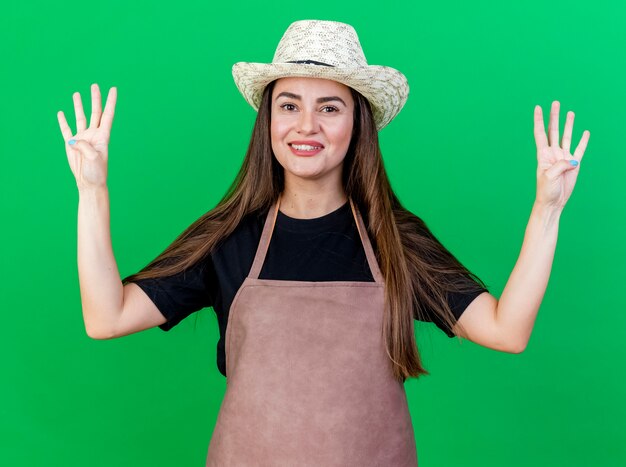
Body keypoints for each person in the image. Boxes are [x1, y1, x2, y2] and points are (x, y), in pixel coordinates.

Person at [57, 19, 590, 467]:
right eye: (288, 105)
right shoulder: (229, 237)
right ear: (268, 120)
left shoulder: (395, 241)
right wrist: (92, 191)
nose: (305, 125)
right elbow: (106, 317)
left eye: (329, 107)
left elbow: (506, 330)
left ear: (358, 122)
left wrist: (547, 210)